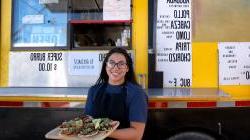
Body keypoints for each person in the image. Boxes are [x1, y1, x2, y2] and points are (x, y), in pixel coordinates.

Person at [84, 47, 148, 140]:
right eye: (111, 63)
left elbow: (137, 134)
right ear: (106, 66)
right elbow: (87, 122)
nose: (116, 67)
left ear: (127, 68)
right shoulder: (94, 90)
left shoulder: (136, 93)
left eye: (121, 64)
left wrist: (102, 132)